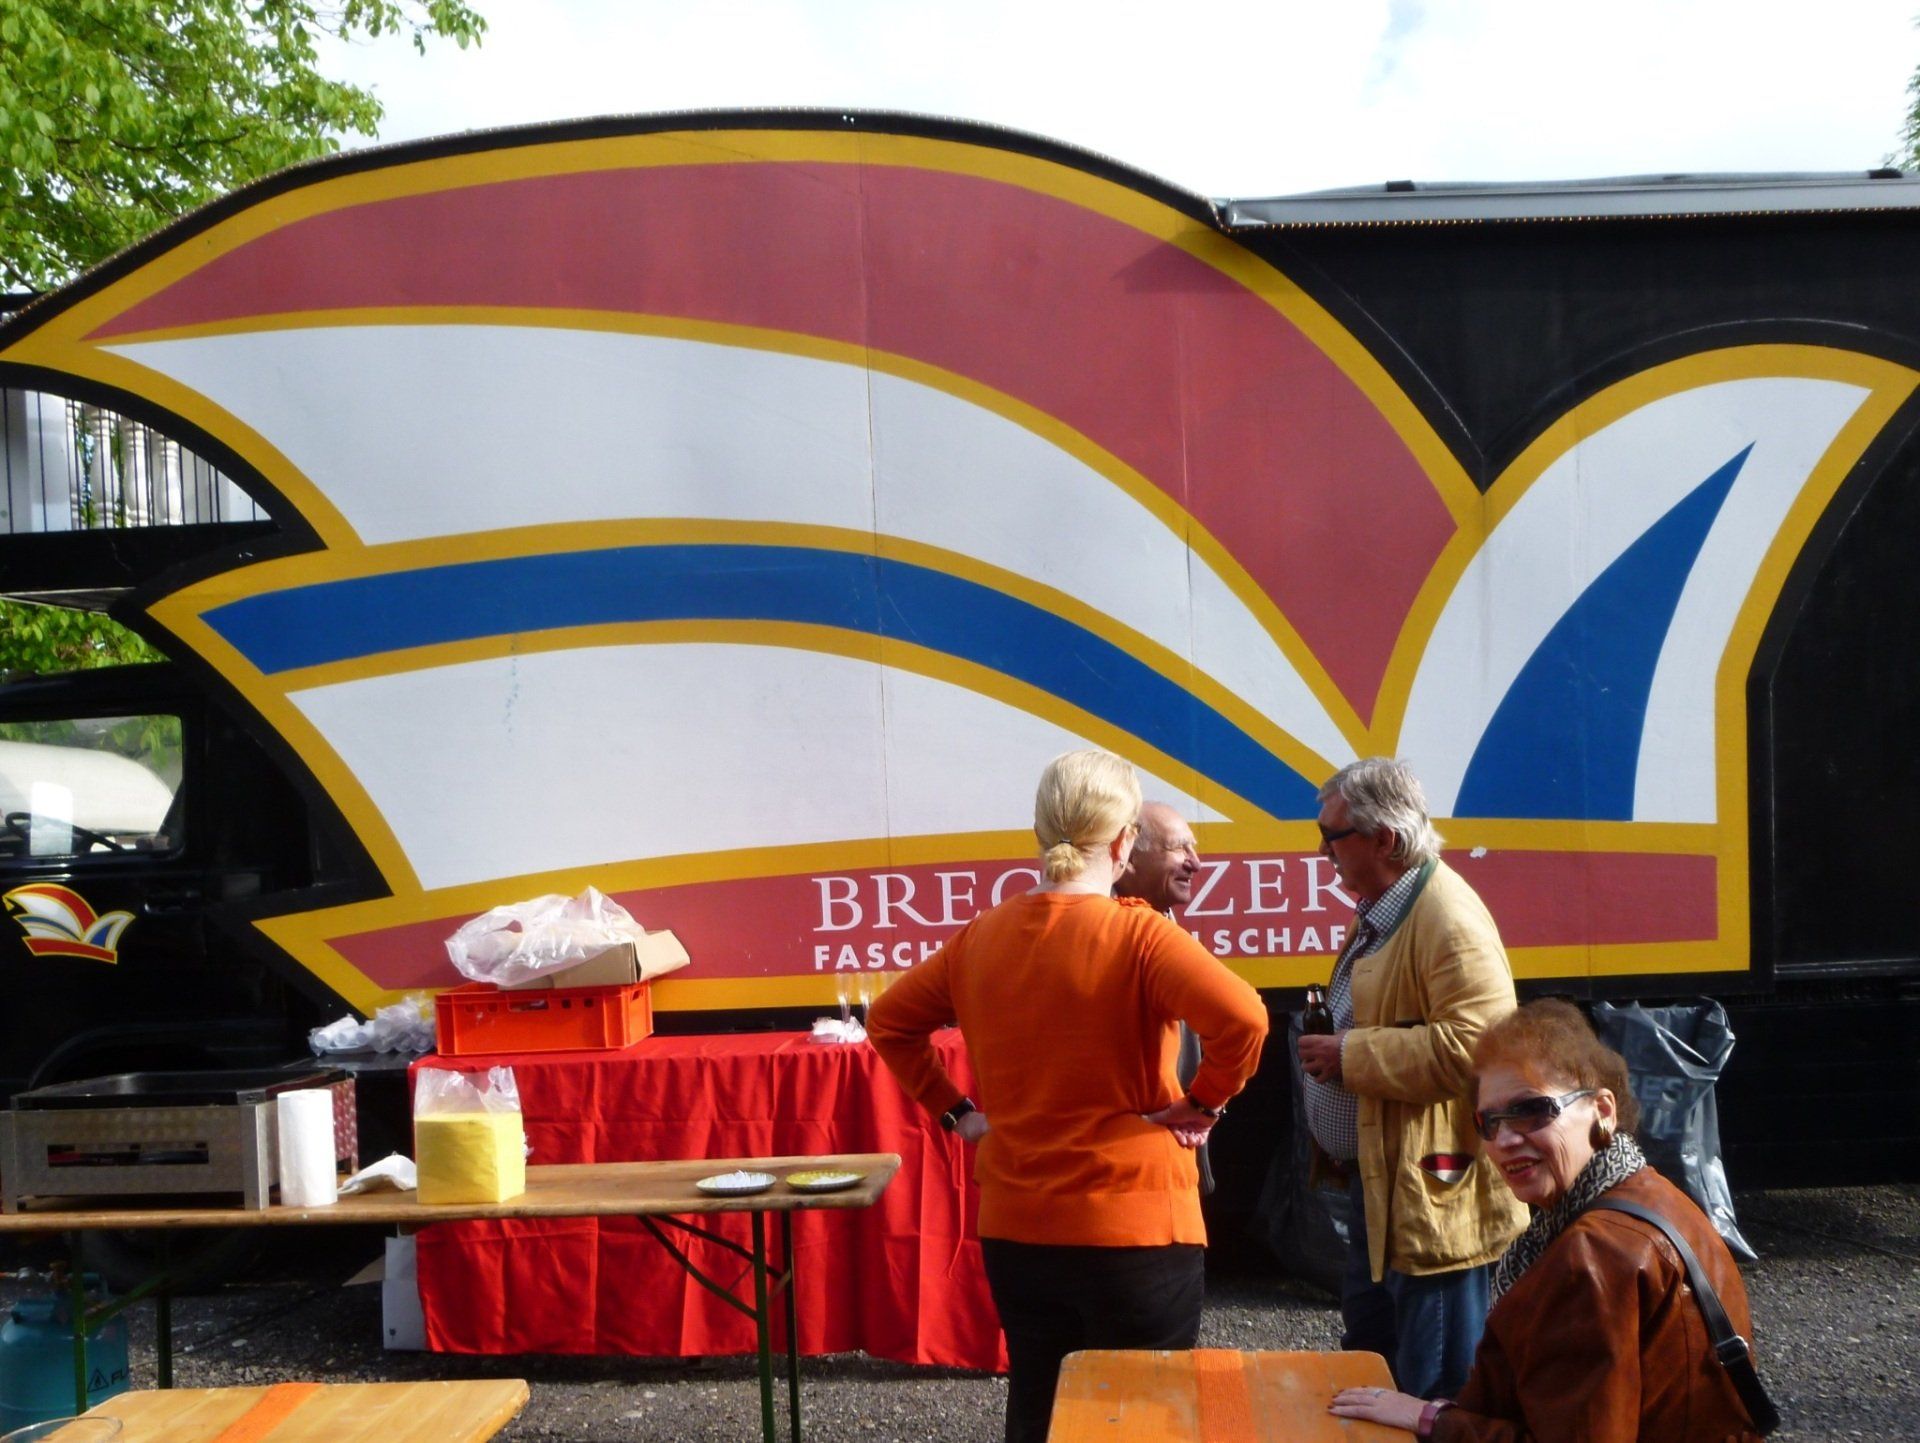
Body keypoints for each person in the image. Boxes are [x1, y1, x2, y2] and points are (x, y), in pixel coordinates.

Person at [869, 750, 1269, 1443]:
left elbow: (889, 1022)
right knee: (1146, 1422)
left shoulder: (981, 937)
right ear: (1123, 842)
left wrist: (957, 1113)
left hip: (1019, 1227)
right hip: (1138, 1227)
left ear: (1040, 832)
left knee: (1039, 1408)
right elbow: (1246, 1020)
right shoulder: (1140, 935)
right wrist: (1205, 1102)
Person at [1328, 1000, 1768, 1441]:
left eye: (1532, 1110)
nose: (1504, 1140)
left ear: (1603, 1110)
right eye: (1488, 1121)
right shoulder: (1655, 1193)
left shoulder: (1592, 1255)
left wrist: (1431, 1418)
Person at [1297, 757, 1526, 1399]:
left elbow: (1478, 1050)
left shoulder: (1446, 917)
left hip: (1431, 1196)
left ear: (1385, 840)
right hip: (1385, 1185)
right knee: (1376, 1367)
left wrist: (1348, 1054)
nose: (1323, 851)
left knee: (1433, 1385)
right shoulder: (1389, 906)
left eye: (1332, 836)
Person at [1113, 801, 1215, 1194]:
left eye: (1193, 847)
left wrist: (1202, 1105)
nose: (1196, 863)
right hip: (1128, 1167)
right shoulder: (1103, 937)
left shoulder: (1165, 928)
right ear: (1129, 858)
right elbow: (1246, 1022)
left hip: (1178, 1160)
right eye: (1178, 848)